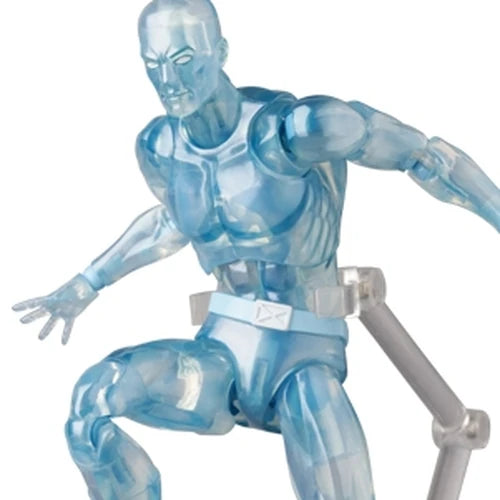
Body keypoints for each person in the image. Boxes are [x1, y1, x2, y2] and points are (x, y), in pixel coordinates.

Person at [13, 0, 499, 499]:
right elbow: (173, 221)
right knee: (92, 402)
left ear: (220, 51)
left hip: (304, 355)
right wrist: (88, 282)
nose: (168, 80)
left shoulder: (296, 130)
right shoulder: (160, 147)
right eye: (153, 64)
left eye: (183, 60)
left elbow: (425, 156)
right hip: (221, 352)